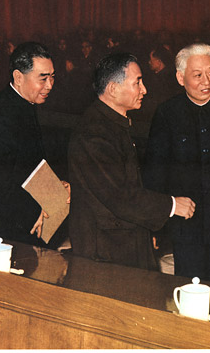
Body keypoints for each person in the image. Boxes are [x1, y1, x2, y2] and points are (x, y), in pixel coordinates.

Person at [67, 52, 196, 271]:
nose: (144, 89)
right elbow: (119, 196)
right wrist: (172, 205)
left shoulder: (111, 123)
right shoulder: (94, 134)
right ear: (113, 89)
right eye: (137, 82)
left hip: (122, 242)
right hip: (105, 253)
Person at [143, 43, 210, 287]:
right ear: (180, 78)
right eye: (197, 75)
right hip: (187, 229)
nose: (206, 81)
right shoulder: (166, 114)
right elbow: (155, 173)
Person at [0, 42, 69, 247]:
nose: (49, 85)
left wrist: (57, 188)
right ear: (18, 77)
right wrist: (36, 209)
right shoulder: (3, 115)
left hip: (15, 225)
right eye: (43, 78)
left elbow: (28, 168)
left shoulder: (22, 105)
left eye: (52, 77)